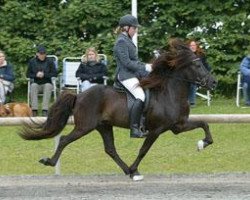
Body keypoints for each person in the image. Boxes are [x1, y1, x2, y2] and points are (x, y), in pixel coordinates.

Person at [113, 14, 152, 138]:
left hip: (133, 73)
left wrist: (147, 69)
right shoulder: (121, 41)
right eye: (134, 28)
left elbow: (134, 61)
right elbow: (127, 63)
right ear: (126, 28)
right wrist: (145, 66)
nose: (135, 30)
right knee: (140, 95)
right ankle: (134, 129)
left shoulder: (127, 40)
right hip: (125, 75)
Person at [26, 45, 57, 116]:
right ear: (37, 54)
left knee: (48, 86)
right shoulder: (32, 61)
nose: (42, 55)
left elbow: (55, 73)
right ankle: (34, 110)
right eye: (41, 53)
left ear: (46, 54)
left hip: (47, 83)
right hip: (37, 83)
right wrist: (36, 75)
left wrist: (44, 74)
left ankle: (45, 110)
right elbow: (28, 74)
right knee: (33, 86)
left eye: (44, 53)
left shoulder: (50, 61)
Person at [187, 39, 211, 107]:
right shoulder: (186, 56)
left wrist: (207, 75)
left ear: (196, 46)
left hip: (199, 77)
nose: (193, 47)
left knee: (192, 83)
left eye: (194, 45)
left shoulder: (201, 55)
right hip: (187, 76)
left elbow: (206, 67)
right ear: (188, 47)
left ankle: (191, 102)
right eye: (191, 45)